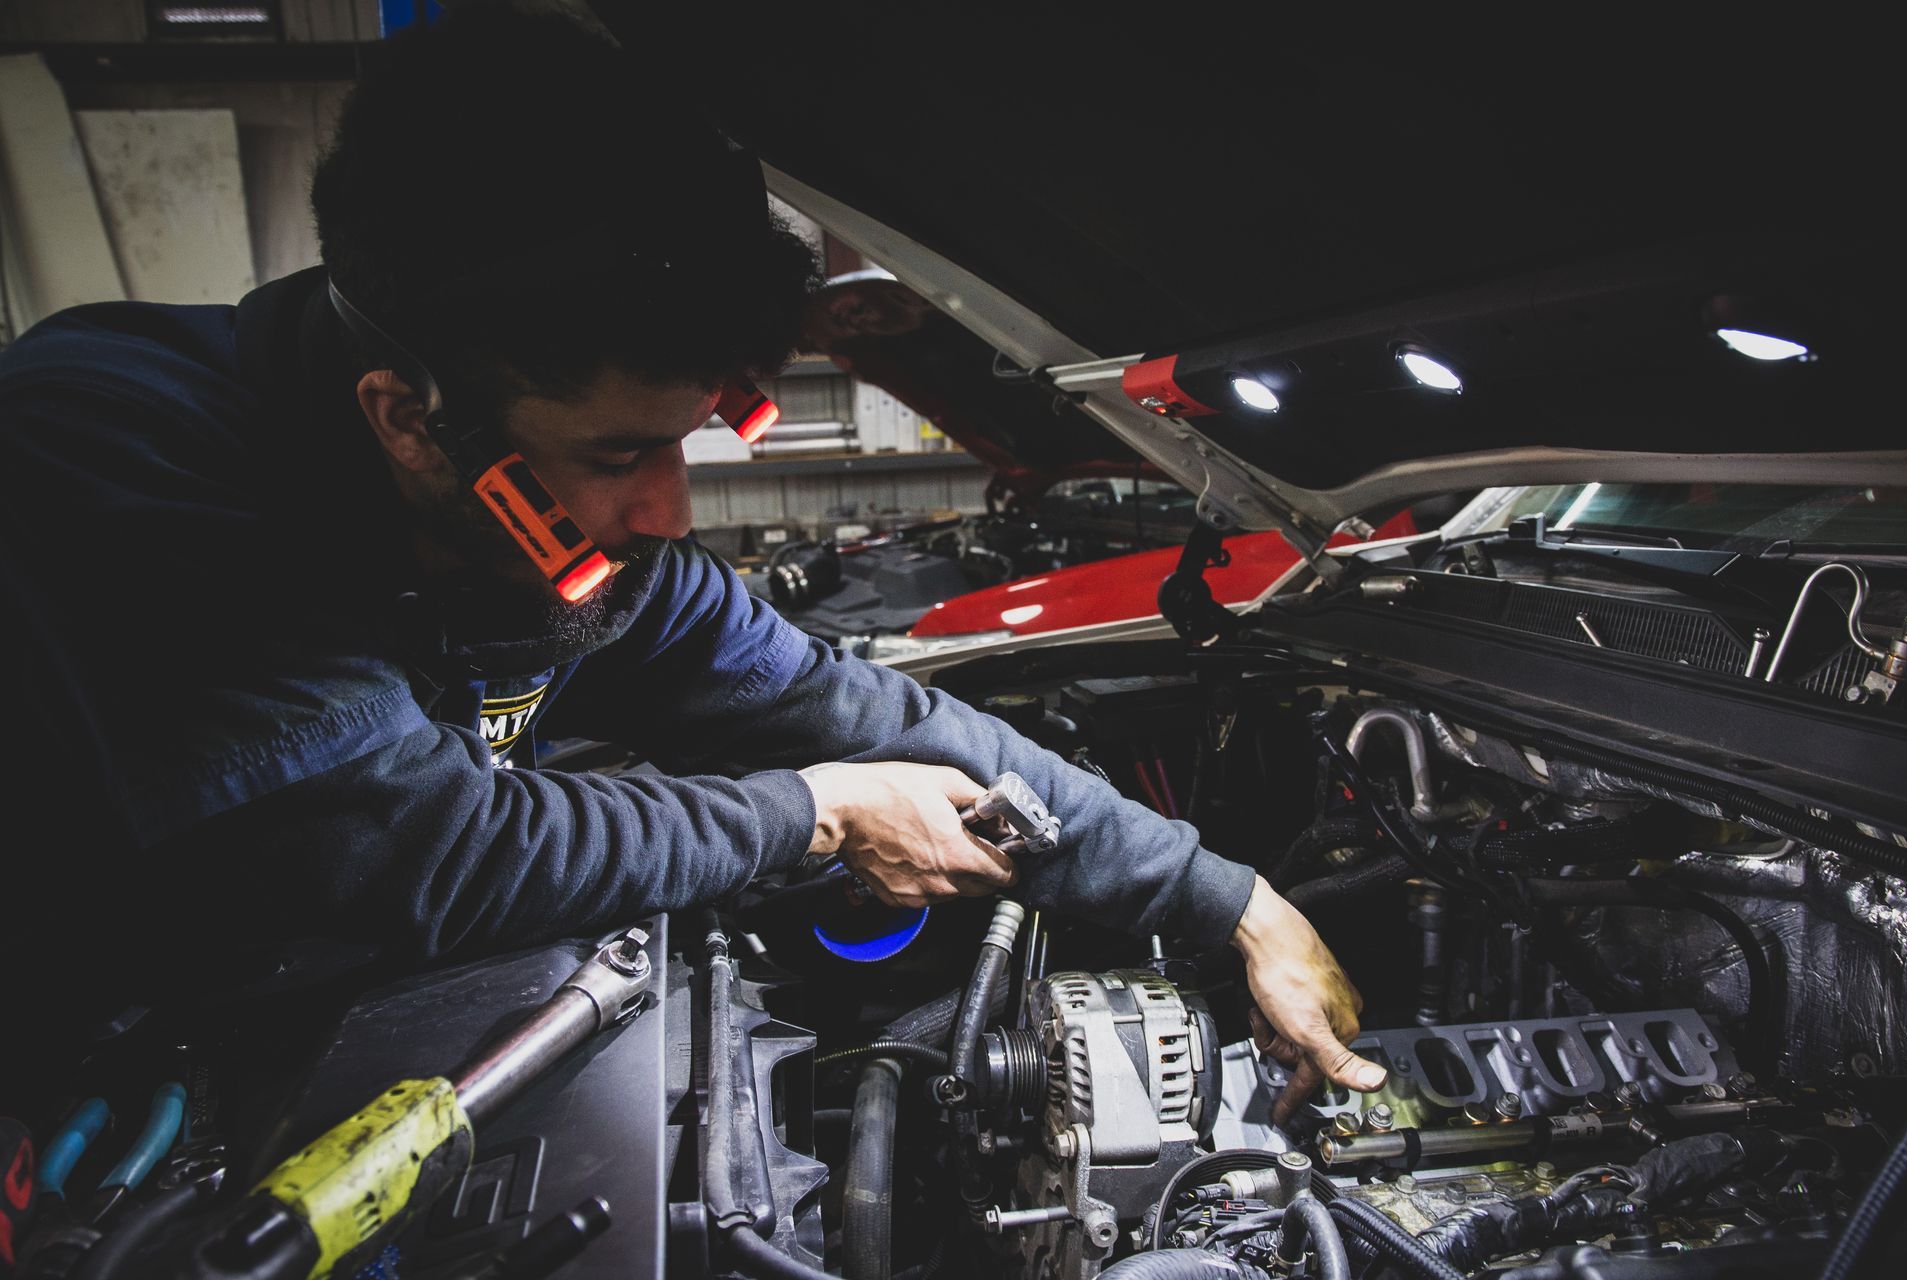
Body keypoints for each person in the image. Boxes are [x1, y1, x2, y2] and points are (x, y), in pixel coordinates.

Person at [0, 4, 1381, 1119]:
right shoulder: (112, 444)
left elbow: (860, 710)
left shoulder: (567, 533)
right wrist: (817, 814)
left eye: (694, 439)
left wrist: (1229, 901)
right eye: (616, 453)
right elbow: (414, 850)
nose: (667, 512)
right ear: (410, 419)